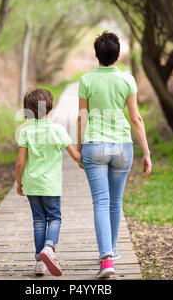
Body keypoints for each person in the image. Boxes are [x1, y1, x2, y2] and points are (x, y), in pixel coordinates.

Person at [77, 31, 152, 278]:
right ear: (118, 55)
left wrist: (79, 148)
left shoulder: (86, 80)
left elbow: (82, 117)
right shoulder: (127, 80)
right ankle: (112, 250)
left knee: (100, 201)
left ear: (96, 55)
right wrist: (146, 152)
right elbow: (135, 118)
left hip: (94, 146)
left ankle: (106, 259)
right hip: (122, 146)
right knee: (115, 201)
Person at [15, 89, 82, 276]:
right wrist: (85, 162)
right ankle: (49, 248)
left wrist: (18, 182)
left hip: (32, 184)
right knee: (54, 217)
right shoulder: (58, 130)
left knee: (38, 220)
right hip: (51, 185)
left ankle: (39, 262)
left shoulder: (25, 132)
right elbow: (75, 156)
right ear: (50, 108)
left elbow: (20, 162)